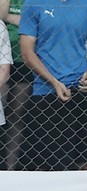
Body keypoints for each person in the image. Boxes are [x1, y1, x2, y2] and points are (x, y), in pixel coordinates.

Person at [18, 0, 87, 171]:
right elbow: (27, 52)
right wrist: (53, 82)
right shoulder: (33, 3)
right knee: (52, 165)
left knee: (86, 161)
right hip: (46, 92)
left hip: (82, 90)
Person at [0, 0, 31, 170]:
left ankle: (10, 166)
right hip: (3, 55)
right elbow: (1, 14)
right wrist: (28, 21)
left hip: (24, 59)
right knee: (1, 110)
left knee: (17, 116)